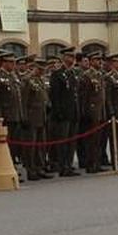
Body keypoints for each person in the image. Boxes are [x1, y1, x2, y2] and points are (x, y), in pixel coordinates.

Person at [47, 48, 81, 177]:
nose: (72, 60)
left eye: (73, 57)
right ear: (63, 58)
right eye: (69, 57)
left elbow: (75, 95)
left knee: (71, 142)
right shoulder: (57, 75)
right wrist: (59, 112)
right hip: (63, 114)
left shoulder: (72, 74)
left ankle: (69, 164)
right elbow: (55, 96)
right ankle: (62, 166)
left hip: (73, 113)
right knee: (63, 141)